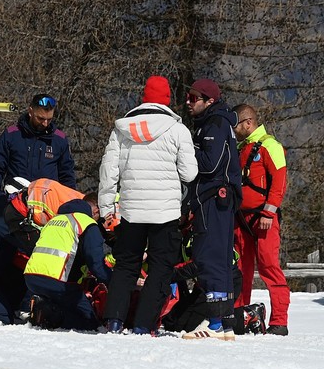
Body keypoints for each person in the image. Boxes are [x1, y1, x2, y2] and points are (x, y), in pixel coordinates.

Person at [98, 75, 198, 335]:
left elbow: (108, 172)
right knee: (160, 270)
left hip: (131, 211)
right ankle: (143, 325)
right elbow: (189, 173)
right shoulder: (178, 130)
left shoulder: (122, 129)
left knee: (125, 267)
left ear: (144, 96)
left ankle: (114, 321)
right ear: (167, 99)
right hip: (165, 212)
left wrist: (107, 209)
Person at [0, 94, 76, 299]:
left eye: (48, 119)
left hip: (44, 213)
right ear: (30, 111)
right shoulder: (11, 135)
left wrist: (66, 210)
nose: (44, 123)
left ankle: (30, 301)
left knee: (33, 259)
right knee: (1, 253)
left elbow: (68, 178)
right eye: (40, 118)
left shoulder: (60, 141)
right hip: (11, 207)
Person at [182, 78, 242, 341]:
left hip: (214, 199)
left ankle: (216, 323)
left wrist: (186, 150)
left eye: (194, 98)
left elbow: (209, 165)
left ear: (210, 101)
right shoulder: (214, 122)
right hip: (218, 201)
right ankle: (225, 322)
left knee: (209, 258)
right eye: (188, 96)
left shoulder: (215, 123)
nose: (188, 102)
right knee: (219, 258)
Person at [233, 103, 290, 336]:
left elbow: (279, 182)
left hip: (264, 219)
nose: (233, 129)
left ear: (248, 123)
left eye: (236, 124)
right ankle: (239, 316)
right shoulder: (240, 149)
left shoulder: (270, 146)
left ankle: (279, 321)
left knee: (269, 267)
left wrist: (268, 212)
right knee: (240, 269)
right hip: (241, 220)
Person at [22, 196, 112, 331]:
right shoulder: (85, 222)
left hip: (31, 277)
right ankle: (49, 314)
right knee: (88, 321)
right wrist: (112, 282)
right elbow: (96, 263)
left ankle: (44, 309)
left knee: (65, 303)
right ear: (93, 211)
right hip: (58, 280)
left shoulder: (53, 221)